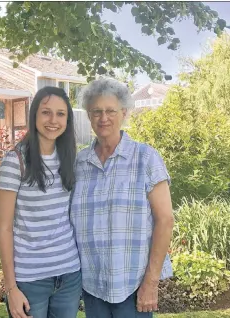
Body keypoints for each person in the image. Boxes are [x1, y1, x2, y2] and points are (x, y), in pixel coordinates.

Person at [70, 78, 174, 318]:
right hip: (92, 284)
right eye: (96, 111)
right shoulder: (79, 163)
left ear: (124, 113)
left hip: (133, 285)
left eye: (110, 111)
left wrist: (151, 282)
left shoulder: (146, 158)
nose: (103, 117)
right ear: (89, 115)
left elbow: (165, 220)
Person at [0, 87, 81, 318]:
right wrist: (11, 288)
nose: (53, 120)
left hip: (69, 274)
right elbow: (4, 228)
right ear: (34, 115)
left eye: (61, 114)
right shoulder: (15, 161)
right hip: (30, 278)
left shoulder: (71, 160)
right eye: (46, 112)